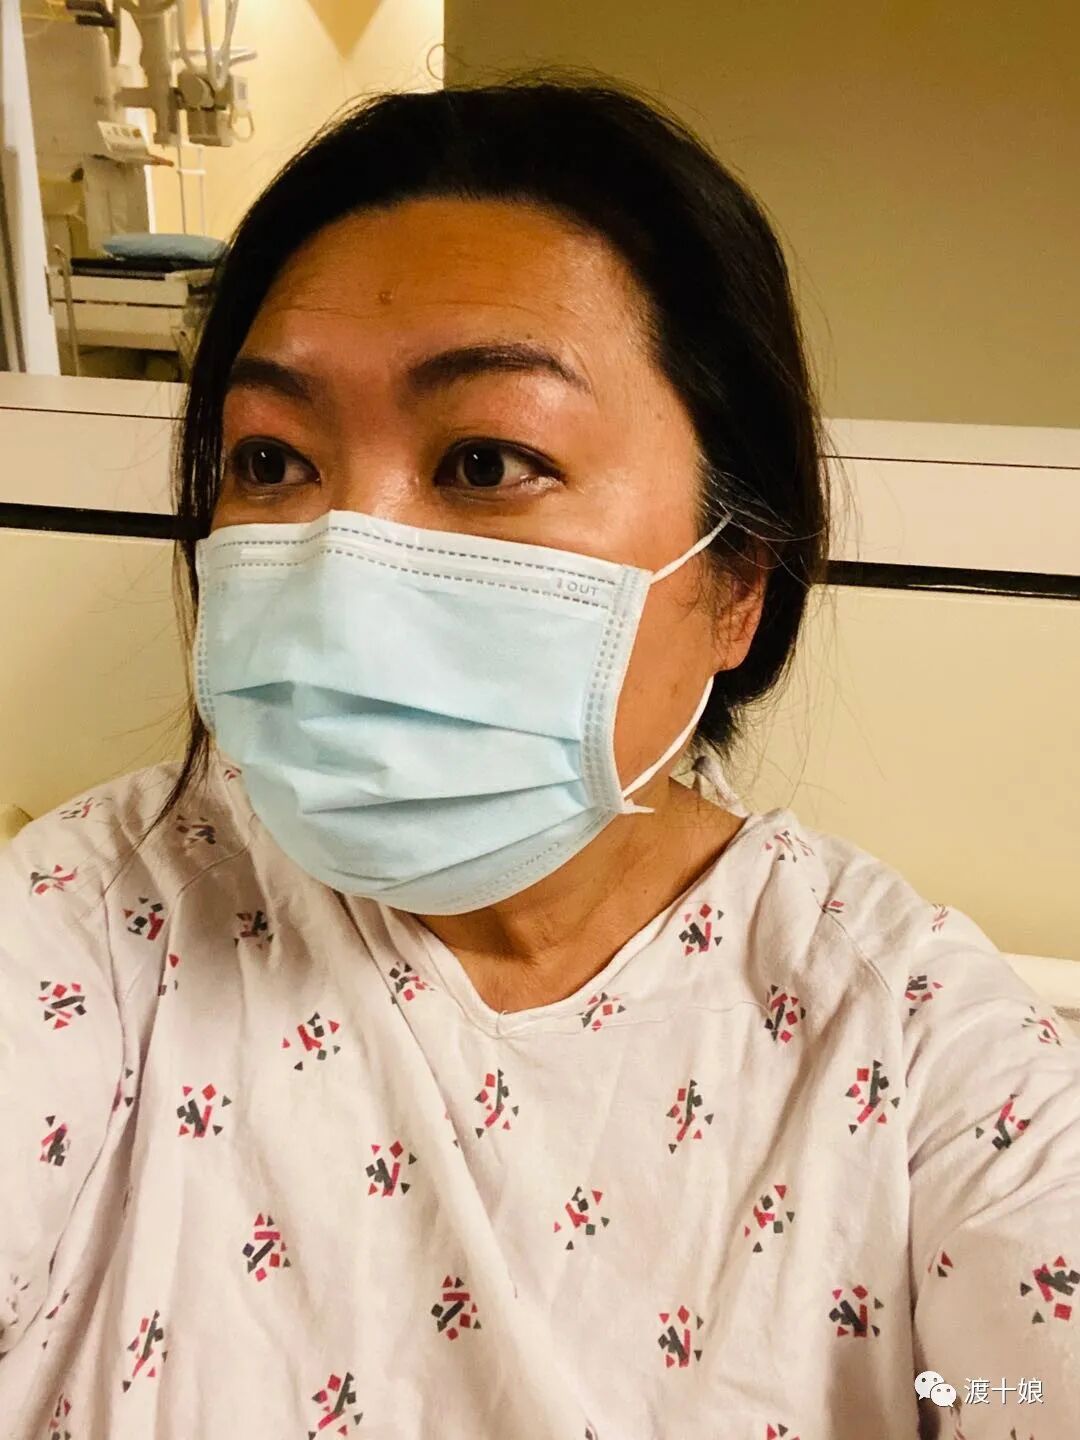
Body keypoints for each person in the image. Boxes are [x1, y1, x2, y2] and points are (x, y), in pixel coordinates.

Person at [1, 76, 1077, 1440]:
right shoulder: (96, 929)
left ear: (738, 582)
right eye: (270, 463)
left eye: (487, 460)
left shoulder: (910, 1047)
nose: (342, 573)